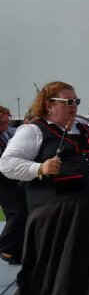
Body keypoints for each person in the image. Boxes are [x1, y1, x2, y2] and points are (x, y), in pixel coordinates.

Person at [2, 82, 89, 295]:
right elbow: (7, 164)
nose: (74, 107)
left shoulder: (87, 131)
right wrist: (40, 169)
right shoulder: (34, 131)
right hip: (53, 215)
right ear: (49, 105)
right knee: (48, 267)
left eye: (76, 102)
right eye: (68, 102)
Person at [0, 106, 28, 266]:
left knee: (22, 213)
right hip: (3, 183)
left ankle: (15, 249)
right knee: (16, 214)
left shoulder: (5, 135)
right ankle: (5, 246)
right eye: (1, 123)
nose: (4, 127)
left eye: (6, 123)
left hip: (11, 180)